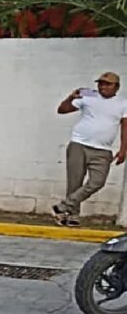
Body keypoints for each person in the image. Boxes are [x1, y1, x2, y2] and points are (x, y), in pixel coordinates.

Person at [51, 72, 127, 227]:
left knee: (97, 182)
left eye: (107, 84)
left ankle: (63, 206)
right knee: (75, 182)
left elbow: (125, 127)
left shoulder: (123, 103)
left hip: (103, 149)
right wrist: (71, 97)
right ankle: (71, 216)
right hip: (79, 144)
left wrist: (123, 149)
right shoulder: (88, 97)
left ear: (117, 87)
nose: (103, 87)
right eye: (100, 83)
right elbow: (62, 110)